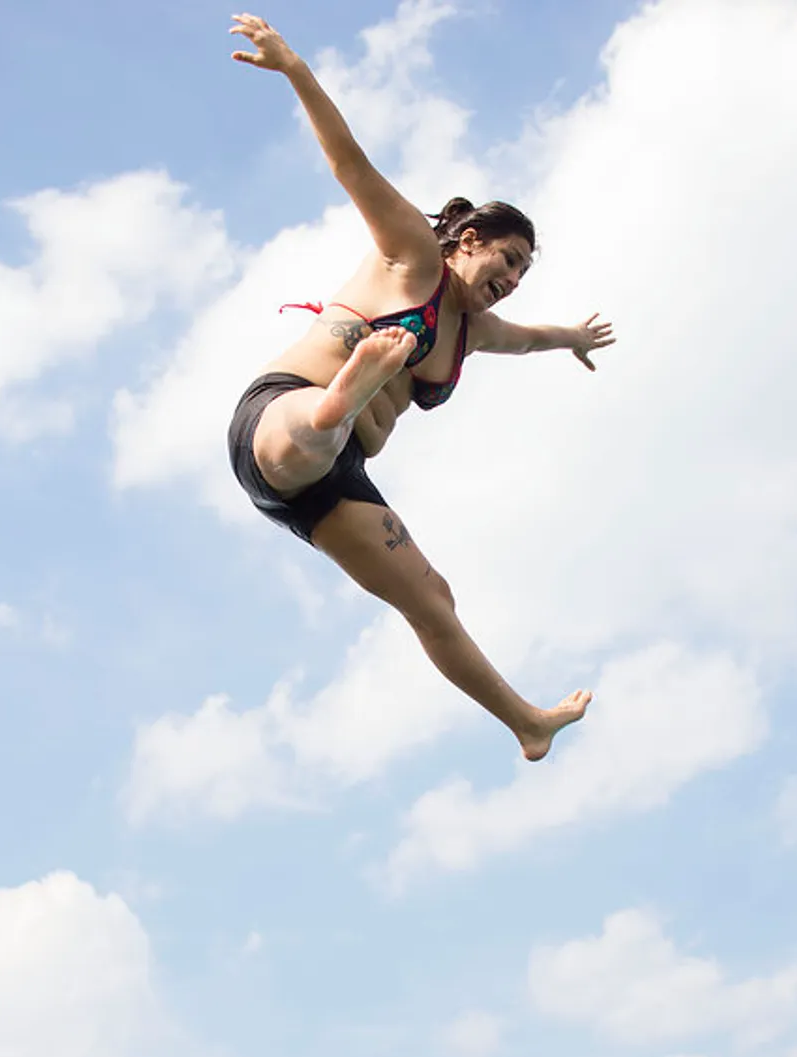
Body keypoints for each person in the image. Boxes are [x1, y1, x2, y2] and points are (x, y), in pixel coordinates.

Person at [226, 13, 614, 762]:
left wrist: (573, 339)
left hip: (334, 483)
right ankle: (342, 396)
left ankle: (528, 726)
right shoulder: (412, 257)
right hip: (281, 418)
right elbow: (351, 165)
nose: (511, 281)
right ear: (469, 240)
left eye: (524, 274)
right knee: (312, 427)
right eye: (507, 260)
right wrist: (295, 68)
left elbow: (530, 339)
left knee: (434, 598)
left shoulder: (475, 330)